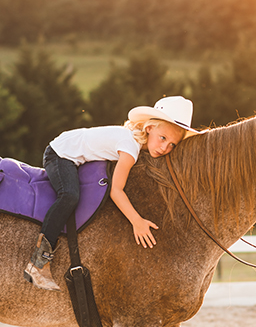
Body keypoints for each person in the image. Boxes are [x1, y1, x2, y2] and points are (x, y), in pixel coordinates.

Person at [24, 96, 197, 292]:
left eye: (172, 145)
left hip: (71, 151)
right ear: (149, 128)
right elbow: (116, 190)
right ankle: (39, 261)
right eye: (163, 138)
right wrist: (137, 221)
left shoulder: (136, 141)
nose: (165, 148)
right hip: (60, 154)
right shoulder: (130, 147)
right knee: (69, 196)